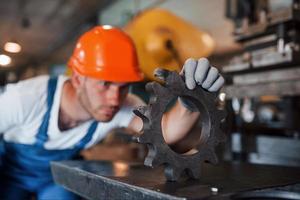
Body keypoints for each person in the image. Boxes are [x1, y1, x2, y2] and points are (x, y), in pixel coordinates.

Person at [0, 25, 224, 200]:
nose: (115, 99)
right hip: (10, 176)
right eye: (105, 84)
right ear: (78, 79)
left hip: (54, 178)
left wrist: (191, 102)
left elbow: (166, 132)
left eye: (123, 86)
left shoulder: (121, 104)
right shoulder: (24, 99)